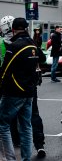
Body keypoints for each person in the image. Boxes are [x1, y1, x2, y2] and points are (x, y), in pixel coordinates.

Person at [0, 17, 45, 161]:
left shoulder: (14, 46)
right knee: (26, 127)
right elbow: (42, 58)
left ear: (13, 29)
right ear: (26, 28)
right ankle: (26, 158)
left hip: (13, 92)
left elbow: (4, 71)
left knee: (3, 125)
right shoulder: (32, 44)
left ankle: (11, 159)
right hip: (29, 92)